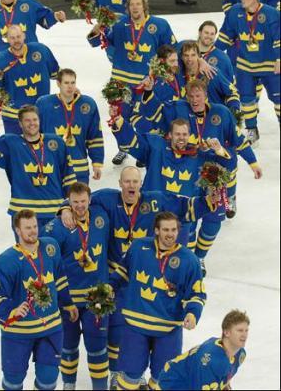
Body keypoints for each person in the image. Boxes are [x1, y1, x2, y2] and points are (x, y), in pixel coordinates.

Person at [58, 166, 217, 388]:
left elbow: (187, 207)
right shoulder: (106, 198)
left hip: (145, 275)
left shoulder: (156, 201)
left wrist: (211, 198)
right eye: (127, 182)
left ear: (140, 184)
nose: (131, 185)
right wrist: (65, 208)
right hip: (118, 277)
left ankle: (128, 374)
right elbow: (80, 201)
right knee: (116, 330)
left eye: (135, 181)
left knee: (130, 332)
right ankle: (119, 373)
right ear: (120, 184)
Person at [137, 79, 262, 264]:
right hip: (192, 172)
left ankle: (200, 257)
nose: (195, 100)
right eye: (191, 96)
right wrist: (148, 93)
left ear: (205, 95)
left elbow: (238, 139)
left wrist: (253, 163)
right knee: (191, 217)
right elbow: (154, 114)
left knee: (214, 219)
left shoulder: (221, 113)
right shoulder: (178, 109)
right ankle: (189, 260)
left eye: (198, 96)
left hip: (213, 176)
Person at [109, 211, 206, 390]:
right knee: (130, 376)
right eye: (166, 229)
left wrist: (193, 314)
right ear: (156, 230)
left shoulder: (189, 260)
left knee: (163, 378)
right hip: (135, 324)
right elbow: (122, 272)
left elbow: (197, 294)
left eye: (173, 230)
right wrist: (109, 287)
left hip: (168, 327)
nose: (170, 234)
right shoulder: (138, 247)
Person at [0, 209, 79, 391]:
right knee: (13, 382)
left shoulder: (50, 248)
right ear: (17, 230)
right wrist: (11, 311)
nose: (33, 231)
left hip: (50, 327)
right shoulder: (6, 260)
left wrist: (68, 303)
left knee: (48, 379)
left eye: (35, 226)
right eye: (27, 228)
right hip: (18, 332)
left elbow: (60, 279)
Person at [88, 0, 177, 165]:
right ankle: (123, 148)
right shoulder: (120, 24)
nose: (135, 7)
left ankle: (143, 149)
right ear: (128, 8)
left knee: (145, 117)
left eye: (138, 4)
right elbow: (97, 41)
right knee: (119, 117)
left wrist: (164, 71)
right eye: (132, 4)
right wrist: (98, 27)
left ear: (144, 6)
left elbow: (170, 50)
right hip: (120, 83)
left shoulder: (159, 25)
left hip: (145, 82)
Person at [41, 183, 110, 391]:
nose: (80, 206)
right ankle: (69, 385)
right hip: (68, 299)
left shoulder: (101, 215)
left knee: (98, 346)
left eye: (83, 201)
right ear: (69, 202)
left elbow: (114, 196)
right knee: (68, 346)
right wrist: (62, 209)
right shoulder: (57, 226)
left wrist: (63, 206)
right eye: (74, 202)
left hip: (97, 297)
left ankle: (100, 387)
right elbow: (43, 255)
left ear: (90, 200)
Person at [0, 104, 77, 239]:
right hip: (23, 213)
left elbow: (69, 178)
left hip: (54, 212)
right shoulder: (11, 143)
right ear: (20, 124)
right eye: (27, 120)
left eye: (35, 120)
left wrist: (67, 207)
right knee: (28, 257)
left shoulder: (56, 143)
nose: (32, 123)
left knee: (53, 255)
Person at [216, 0, 280, 145]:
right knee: (246, 99)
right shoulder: (235, 12)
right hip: (245, 65)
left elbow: (279, 39)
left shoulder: (272, 14)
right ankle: (252, 130)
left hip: (270, 65)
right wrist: (207, 53)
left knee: (278, 98)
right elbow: (225, 37)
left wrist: (279, 59)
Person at [0, 24, 60, 134]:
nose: (16, 40)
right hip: (13, 117)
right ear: (7, 39)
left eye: (18, 36)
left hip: (40, 114)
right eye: (12, 38)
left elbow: (57, 74)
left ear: (24, 36)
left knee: (42, 149)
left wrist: (72, 88)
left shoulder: (41, 51)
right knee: (16, 149)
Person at [36, 68, 104, 185]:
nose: (70, 87)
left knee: (79, 202)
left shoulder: (88, 105)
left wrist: (97, 163)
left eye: (73, 83)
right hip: (52, 167)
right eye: (66, 83)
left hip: (79, 168)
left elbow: (95, 137)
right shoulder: (44, 104)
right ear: (58, 83)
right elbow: (35, 135)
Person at [158, 309, 249, 390]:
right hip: (171, 385)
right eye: (240, 330)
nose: (244, 335)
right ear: (226, 332)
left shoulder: (240, 354)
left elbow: (227, 373)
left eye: (246, 330)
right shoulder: (211, 362)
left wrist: (225, 384)